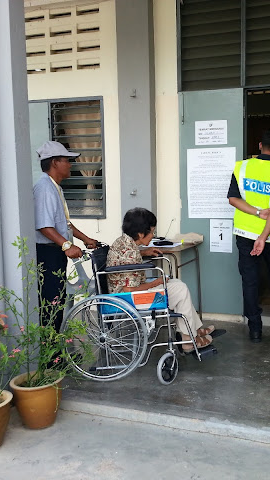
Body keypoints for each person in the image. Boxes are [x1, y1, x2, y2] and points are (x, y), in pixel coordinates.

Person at [107, 208, 216, 352]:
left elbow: (128, 258)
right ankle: (188, 340)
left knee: (177, 285)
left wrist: (144, 252)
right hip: (129, 299)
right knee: (180, 290)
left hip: (124, 293)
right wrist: (155, 282)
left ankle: (192, 330)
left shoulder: (124, 242)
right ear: (140, 234)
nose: (153, 235)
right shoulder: (130, 253)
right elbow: (129, 289)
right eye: (152, 232)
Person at [227, 128, 270, 343]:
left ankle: (255, 329)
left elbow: (233, 199)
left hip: (245, 233)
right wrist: (263, 237)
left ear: (259, 145)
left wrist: (256, 212)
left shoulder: (241, 167)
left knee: (250, 280)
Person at [33, 140, 98, 332]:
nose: (70, 165)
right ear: (55, 162)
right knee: (50, 303)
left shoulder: (55, 187)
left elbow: (64, 223)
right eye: (67, 160)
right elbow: (44, 226)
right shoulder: (44, 188)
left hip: (55, 252)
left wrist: (85, 239)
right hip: (47, 253)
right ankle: (49, 349)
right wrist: (67, 245)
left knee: (58, 300)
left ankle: (55, 346)